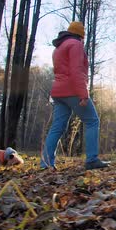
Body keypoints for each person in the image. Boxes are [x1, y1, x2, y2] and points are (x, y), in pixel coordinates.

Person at [41, 21, 110, 170]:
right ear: (81, 35)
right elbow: (76, 70)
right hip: (72, 90)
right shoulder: (75, 44)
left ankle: (45, 164)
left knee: (57, 127)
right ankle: (92, 159)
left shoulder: (58, 47)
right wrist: (83, 94)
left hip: (58, 92)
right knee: (92, 121)